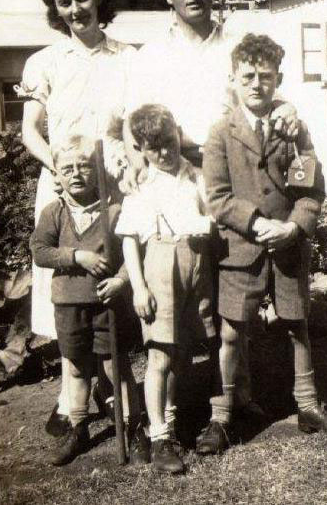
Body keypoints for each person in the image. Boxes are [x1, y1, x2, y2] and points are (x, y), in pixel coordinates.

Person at [123, 0, 298, 413]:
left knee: (233, 278)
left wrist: (289, 109)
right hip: (175, 174)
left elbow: (266, 92)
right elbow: (130, 120)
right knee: (183, 282)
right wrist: (133, 159)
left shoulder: (234, 44)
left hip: (232, 171)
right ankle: (179, 400)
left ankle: (238, 394)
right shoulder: (152, 54)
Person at [198, 33, 327, 455]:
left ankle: (307, 406)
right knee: (231, 335)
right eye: (247, 76)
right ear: (232, 78)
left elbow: (311, 191)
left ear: (278, 79)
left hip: (287, 247)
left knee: (297, 326)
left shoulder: (294, 130)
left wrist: (294, 227)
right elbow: (216, 196)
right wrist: (256, 223)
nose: (255, 84)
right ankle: (222, 415)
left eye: (265, 77)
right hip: (240, 250)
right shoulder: (220, 133)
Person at [18, 0, 134, 434]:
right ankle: (71, 396)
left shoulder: (127, 56)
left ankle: (114, 389)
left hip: (115, 185)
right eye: (63, 2)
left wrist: (128, 158)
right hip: (63, 184)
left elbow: (134, 122)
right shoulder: (44, 61)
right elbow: (29, 130)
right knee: (65, 285)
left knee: (109, 278)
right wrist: (59, 171)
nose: (74, 9)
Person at [30, 135, 149, 466]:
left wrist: (122, 281)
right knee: (77, 368)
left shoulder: (114, 212)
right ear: (57, 175)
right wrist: (76, 257)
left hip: (107, 305)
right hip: (69, 306)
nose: (76, 173)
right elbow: (40, 252)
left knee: (117, 367)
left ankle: (134, 427)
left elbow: (132, 254)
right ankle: (78, 428)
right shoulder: (54, 213)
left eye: (84, 166)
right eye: (67, 168)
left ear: (97, 170)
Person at [116, 105, 216, 474]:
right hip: (160, 261)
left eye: (169, 143)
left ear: (179, 135)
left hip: (195, 263)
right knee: (159, 356)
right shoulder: (142, 184)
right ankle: (158, 436)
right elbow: (129, 240)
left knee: (182, 352)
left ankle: (170, 422)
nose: (164, 153)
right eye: (153, 147)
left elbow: (211, 213)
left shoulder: (194, 175)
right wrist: (139, 288)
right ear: (141, 148)